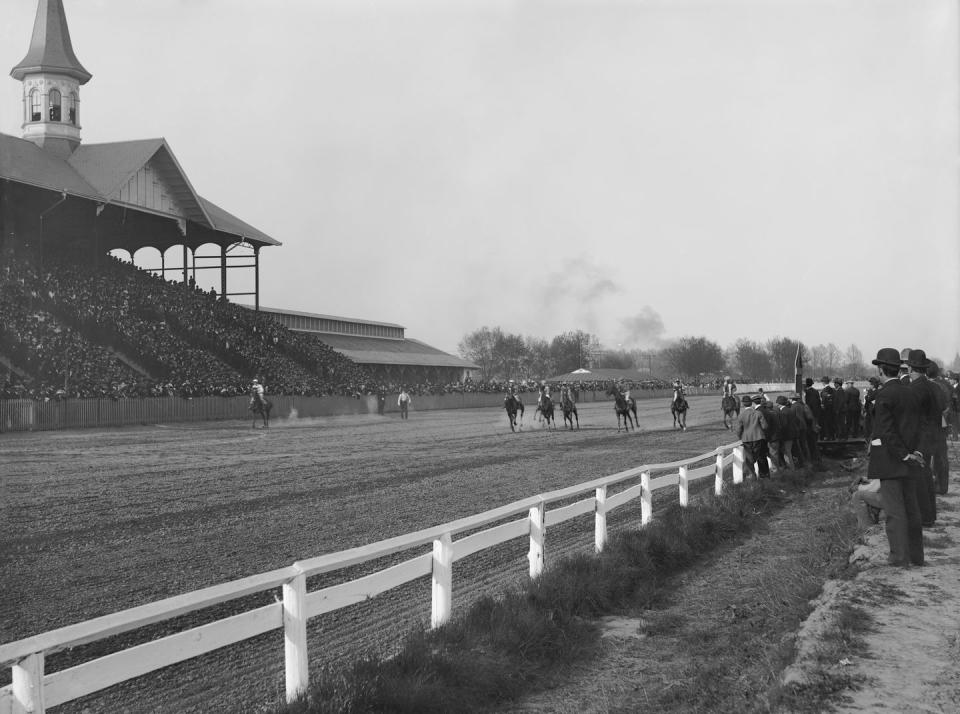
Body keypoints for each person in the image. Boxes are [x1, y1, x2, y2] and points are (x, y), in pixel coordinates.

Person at [867, 347, 923, 567]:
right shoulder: (910, 391)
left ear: (881, 370)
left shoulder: (885, 395)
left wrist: (903, 455)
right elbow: (918, 427)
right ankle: (917, 557)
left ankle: (899, 558)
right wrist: (914, 452)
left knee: (895, 512)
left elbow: (887, 431)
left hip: (892, 461)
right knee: (912, 509)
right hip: (910, 459)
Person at [904, 349, 940, 526]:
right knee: (926, 477)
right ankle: (930, 515)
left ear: (910, 368)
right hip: (931, 438)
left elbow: (912, 419)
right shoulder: (931, 386)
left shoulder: (914, 389)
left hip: (919, 440)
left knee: (918, 478)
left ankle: (924, 517)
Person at [735, 394, 769, 478]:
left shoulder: (741, 415)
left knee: (749, 459)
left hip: (746, 439)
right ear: (751, 403)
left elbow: (738, 430)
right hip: (759, 438)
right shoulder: (758, 413)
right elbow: (765, 426)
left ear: (743, 404)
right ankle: (764, 475)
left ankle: (752, 476)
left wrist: (740, 437)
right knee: (761, 457)